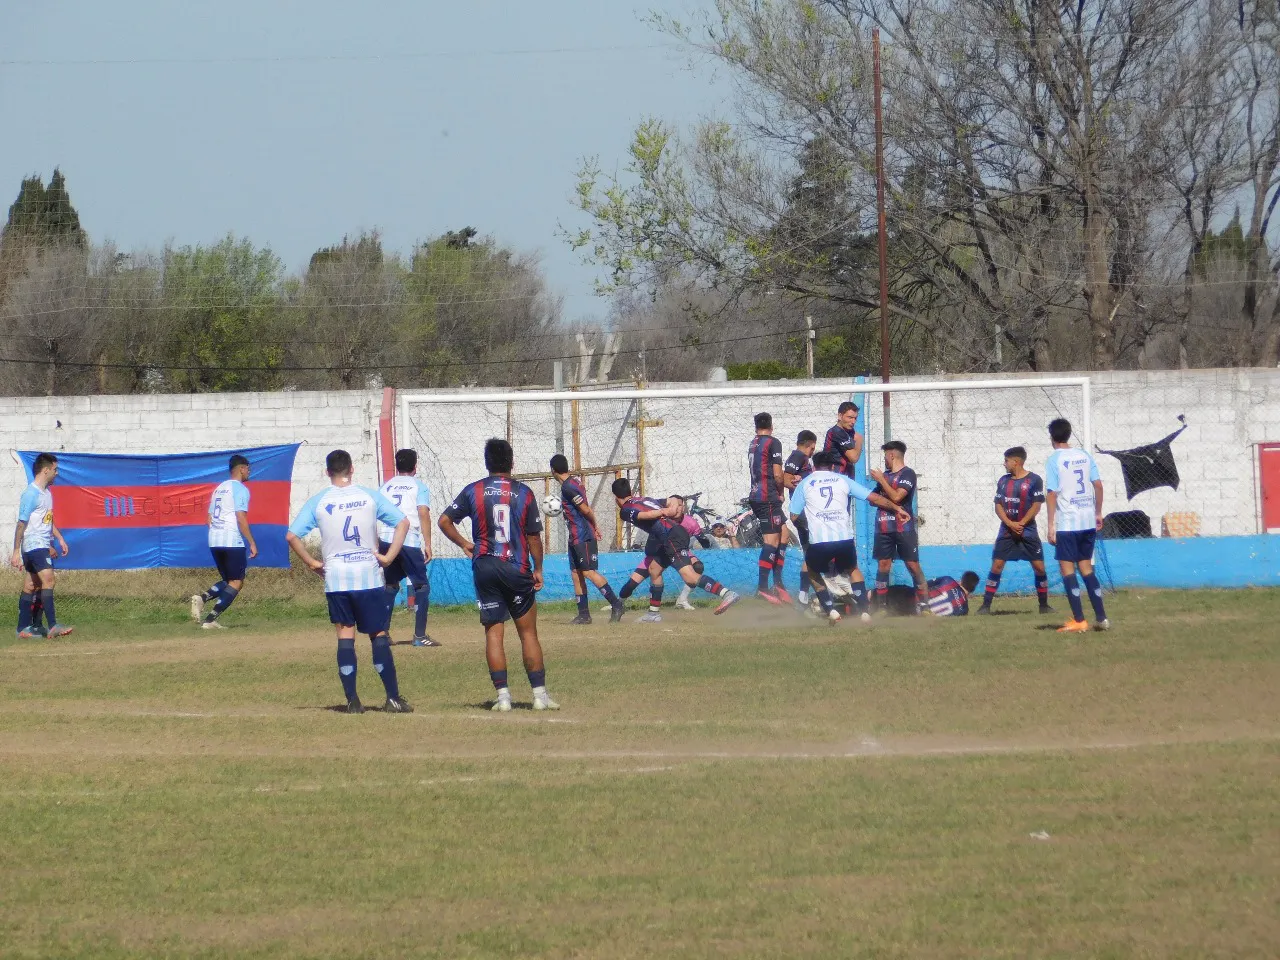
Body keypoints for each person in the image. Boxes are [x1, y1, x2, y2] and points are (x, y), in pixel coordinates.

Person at [286, 449, 413, 715]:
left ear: (327, 472)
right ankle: (392, 699)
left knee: (345, 636)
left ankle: (353, 701)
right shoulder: (368, 496)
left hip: (337, 579)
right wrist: (388, 557)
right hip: (367, 577)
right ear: (352, 469)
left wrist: (312, 563)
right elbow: (402, 523)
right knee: (377, 634)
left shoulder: (319, 501)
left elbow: (292, 536)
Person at [439, 438, 559, 712]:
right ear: (512, 462)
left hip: (485, 567)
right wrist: (538, 568)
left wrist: (465, 544)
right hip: (516, 567)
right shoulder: (525, 493)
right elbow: (533, 538)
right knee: (528, 633)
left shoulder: (473, 490)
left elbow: (444, 521)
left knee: (494, 634)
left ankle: (503, 697)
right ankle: (539, 696)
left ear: (486, 462)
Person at [787, 452, 910, 623]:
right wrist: (897, 509)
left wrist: (811, 525)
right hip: (844, 538)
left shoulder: (805, 483)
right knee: (852, 569)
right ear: (832, 467)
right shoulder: (842, 480)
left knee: (812, 571)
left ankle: (831, 611)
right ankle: (864, 611)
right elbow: (873, 497)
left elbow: (793, 515)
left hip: (820, 541)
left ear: (813, 467)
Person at [612, 479, 739, 623]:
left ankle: (727, 593)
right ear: (630, 491)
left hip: (671, 535)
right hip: (672, 535)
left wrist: (663, 511)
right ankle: (653, 614)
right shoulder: (646, 499)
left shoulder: (625, 510)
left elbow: (642, 516)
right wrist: (672, 507)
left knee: (690, 577)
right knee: (654, 569)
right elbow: (671, 500)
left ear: (617, 499)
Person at [1044, 418, 1109, 633]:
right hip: (1087, 520)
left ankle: (1079, 620)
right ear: (1069, 434)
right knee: (1086, 567)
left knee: (1067, 569)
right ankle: (1102, 618)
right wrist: (1098, 512)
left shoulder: (1054, 460)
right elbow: (1098, 485)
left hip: (1068, 522)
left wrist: (1051, 524)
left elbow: (1052, 493)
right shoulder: (1084, 455)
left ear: (1052, 437)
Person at [976, 447, 1053, 615]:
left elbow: (1037, 504)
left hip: (1028, 531)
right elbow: (998, 505)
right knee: (996, 566)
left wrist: (1022, 523)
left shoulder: (1034, 480)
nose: (1004, 464)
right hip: (1006, 531)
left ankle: (1044, 605)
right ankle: (985, 606)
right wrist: (1010, 523)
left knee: (1039, 568)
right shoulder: (1003, 481)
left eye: (1006, 461)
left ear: (1016, 462)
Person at [550, 454, 625, 625]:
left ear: (553, 470)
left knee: (588, 572)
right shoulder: (574, 482)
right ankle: (584, 615)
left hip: (582, 535)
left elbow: (586, 509)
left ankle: (616, 604)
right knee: (576, 574)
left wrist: (595, 526)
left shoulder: (568, 487)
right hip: (575, 536)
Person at [191, 454, 258, 630]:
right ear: (242, 469)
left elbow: (208, 519)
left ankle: (203, 598)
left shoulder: (219, 488)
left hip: (214, 539)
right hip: (230, 539)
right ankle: (210, 619)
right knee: (237, 581)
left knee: (229, 580)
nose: (249, 472)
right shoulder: (240, 489)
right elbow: (240, 517)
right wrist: (251, 542)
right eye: (248, 469)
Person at [379, 449, 437, 647]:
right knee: (421, 586)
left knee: (390, 585)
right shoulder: (418, 486)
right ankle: (420, 636)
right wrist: (427, 543)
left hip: (386, 539)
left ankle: (383, 634)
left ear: (397, 465)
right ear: (415, 466)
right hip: (408, 540)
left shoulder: (385, 487)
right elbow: (423, 512)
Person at [12, 452, 72, 639]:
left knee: (32, 585)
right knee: (49, 580)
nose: (57, 473)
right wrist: (15, 551)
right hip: (33, 545)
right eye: (55, 469)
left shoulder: (46, 494)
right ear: (46, 470)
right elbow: (22, 523)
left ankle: (25, 628)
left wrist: (59, 539)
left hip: (39, 545)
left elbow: (47, 521)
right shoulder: (31, 494)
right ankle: (52, 625)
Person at [869, 441, 928, 611]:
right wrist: (882, 489)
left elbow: (896, 497)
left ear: (892, 455)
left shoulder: (908, 474)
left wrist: (882, 482)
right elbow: (874, 499)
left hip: (905, 529)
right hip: (883, 528)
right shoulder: (885, 477)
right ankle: (882, 608)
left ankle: (925, 607)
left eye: (885, 456)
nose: (884, 460)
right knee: (883, 566)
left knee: (913, 566)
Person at [747, 411, 790, 604]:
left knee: (784, 534)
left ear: (756, 427)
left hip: (757, 495)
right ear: (771, 426)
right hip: (768, 497)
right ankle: (763, 587)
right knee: (771, 541)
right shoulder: (773, 442)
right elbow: (778, 474)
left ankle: (778, 583)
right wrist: (780, 492)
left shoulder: (753, 443)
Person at [783, 430, 817, 606]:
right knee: (817, 550)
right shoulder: (799, 457)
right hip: (803, 513)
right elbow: (785, 478)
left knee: (811, 553)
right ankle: (808, 593)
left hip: (801, 513)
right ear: (811, 445)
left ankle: (805, 594)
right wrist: (801, 485)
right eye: (813, 448)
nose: (813, 451)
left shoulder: (797, 457)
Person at [882, 572, 981, 616]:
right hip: (914, 614)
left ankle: (869, 601)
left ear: (961, 581)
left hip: (909, 600)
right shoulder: (964, 610)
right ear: (972, 589)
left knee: (884, 592)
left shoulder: (949, 580)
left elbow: (923, 585)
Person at [823, 401, 864, 477]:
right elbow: (853, 458)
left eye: (855, 418)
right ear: (840, 416)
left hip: (846, 475)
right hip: (835, 476)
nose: (853, 421)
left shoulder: (849, 432)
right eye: (850, 417)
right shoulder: (837, 432)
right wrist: (859, 440)